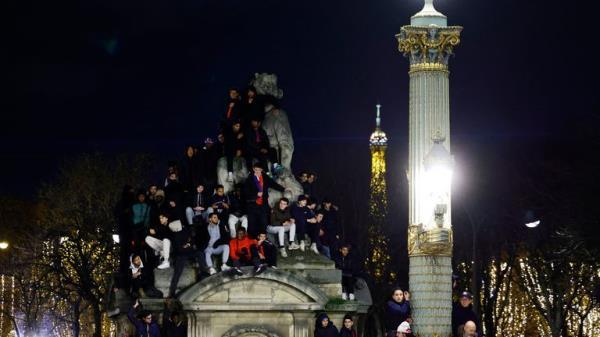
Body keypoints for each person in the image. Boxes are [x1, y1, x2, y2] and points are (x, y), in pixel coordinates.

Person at [244, 162, 286, 238]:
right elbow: (245, 193)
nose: (257, 172)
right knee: (252, 224)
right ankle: (253, 241)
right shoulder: (249, 179)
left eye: (259, 170)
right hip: (252, 206)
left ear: (262, 170)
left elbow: (273, 184)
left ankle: (262, 241)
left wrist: (283, 189)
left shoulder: (265, 177)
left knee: (263, 222)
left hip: (263, 205)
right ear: (253, 169)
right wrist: (256, 195)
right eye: (256, 170)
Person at [169, 223, 206, 297]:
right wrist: (187, 245)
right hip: (181, 255)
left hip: (189, 252)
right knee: (177, 273)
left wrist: (188, 245)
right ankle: (172, 292)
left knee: (200, 254)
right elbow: (179, 249)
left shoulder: (186, 231)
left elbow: (191, 241)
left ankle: (203, 274)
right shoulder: (175, 236)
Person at [131, 190, 151, 255]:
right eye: (140, 196)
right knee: (137, 245)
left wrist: (147, 225)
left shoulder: (147, 206)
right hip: (136, 227)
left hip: (145, 228)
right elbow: (132, 216)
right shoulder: (134, 206)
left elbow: (148, 217)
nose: (141, 198)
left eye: (143, 196)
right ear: (138, 197)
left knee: (145, 244)